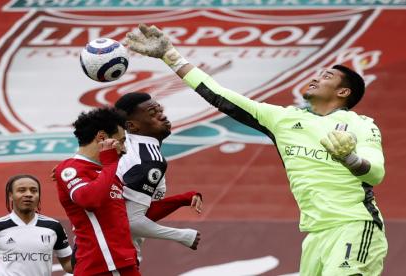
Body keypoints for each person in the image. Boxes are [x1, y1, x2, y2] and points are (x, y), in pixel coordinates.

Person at [124, 24, 388, 275]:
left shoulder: (360, 124)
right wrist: (171, 57)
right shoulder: (283, 119)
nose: (317, 78)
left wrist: (349, 158)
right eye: (318, 74)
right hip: (316, 234)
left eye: (327, 76)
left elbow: (375, 173)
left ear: (343, 91)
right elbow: (220, 95)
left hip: (354, 224)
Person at [114, 92, 202, 262]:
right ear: (131, 126)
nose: (162, 116)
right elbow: (129, 221)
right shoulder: (149, 160)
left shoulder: (123, 144)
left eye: (159, 110)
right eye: (152, 114)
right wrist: (181, 235)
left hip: (98, 250)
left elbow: (138, 210)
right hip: (114, 256)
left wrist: (181, 199)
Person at [53, 107, 140, 276]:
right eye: (121, 141)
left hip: (122, 263)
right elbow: (89, 200)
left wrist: (183, 199)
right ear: (102, 137)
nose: (124, 149)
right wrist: (109, 163)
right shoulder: (71, 168)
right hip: (102, 266)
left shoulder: (108, 172)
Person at [0, 174, 72, 276]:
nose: (28, 194)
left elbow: (68, 264)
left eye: (34, 191)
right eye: (22, 190)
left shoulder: (53, 227)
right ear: (10, 196)